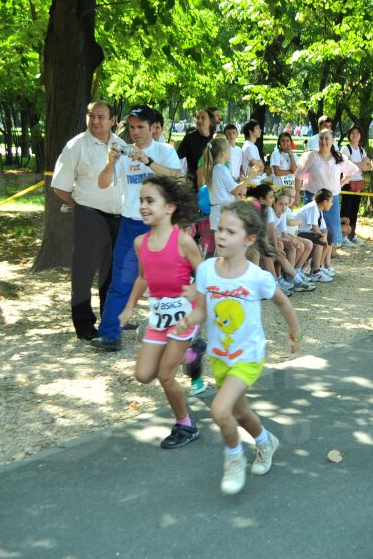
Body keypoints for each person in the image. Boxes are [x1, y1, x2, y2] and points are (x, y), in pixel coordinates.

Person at [180, 202, 301, 494]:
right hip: (220, 356)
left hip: (247, 356)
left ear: (248, 239)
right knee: (240, 412)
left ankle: (234, 459)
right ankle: (265, 441)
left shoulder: (256, 277)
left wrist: (294, 333)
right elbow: (203, 310)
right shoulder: (207, 270)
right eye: (220, 228)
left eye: (230, 231)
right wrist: (187, 321)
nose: (221, 236)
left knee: (220, 410)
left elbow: (283, 302)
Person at [115, 176, 205, 449]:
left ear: (170, 207)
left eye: (150, 200)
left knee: (166, 376)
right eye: (141, 200)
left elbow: (206, 274)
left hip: (183, 317)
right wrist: (129, 306)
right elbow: (143, 277)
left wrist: (196, 291)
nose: (143, 206)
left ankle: (185, 424)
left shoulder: (183, 242)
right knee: (143, 375)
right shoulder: (141, 243)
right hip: (158, 317)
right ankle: (192, 354)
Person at [87, 105, 184, 352]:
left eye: (140, 127)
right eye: (131, 127)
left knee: (170, 282)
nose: (135, 132)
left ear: (153, 127)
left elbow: (177, 176)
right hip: (130, 223)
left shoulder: (163, 151)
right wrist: (110, 163)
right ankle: (110, 334)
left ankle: (180, 332)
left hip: (161, 227)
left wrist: (148, 161)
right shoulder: (123, 152)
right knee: (120, 281)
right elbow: (102, 183)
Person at [50, 101, 124, 341]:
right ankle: (84, 326)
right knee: (84, 271)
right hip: (89, 213)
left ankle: (110, 319)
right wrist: (78, 205)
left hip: (117, 216)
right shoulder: (75, 146)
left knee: (112, 271)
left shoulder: (121, 145)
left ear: (112, 120)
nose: (95, 121)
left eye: (101, 117)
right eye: (91, 116)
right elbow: (60, 186)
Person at [295, 129, 352, 249]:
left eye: (327, 138)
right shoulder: (310, 156)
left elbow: (352, 171)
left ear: (332, 141)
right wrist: (296, 194)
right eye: (321, 138)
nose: (324, 141)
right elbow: (298, 176)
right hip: (313, 197)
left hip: (332, 199)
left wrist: (339, 184)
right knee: (312, 226)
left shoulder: (339, 158)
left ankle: (329, 251)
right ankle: (312, 253)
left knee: (330, 227)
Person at [339, 125, 373, 245]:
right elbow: (347, 165)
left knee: (354, 210)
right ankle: (343, 236)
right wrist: (361, 164)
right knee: (346, 210)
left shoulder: (361, 150)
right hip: (348, 183)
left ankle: (352, 234)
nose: (355, 135)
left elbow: (369, 166)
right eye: (352, 133)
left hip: (358, 183)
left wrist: (358, 164)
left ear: (360, 135)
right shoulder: (345, 149)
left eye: (357, 133)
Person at [175, 108, 214, 191]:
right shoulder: (190, 138)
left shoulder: (215, 138)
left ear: (210, 121)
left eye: (203, 117)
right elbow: (176, 157)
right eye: (197, 117)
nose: (199, 120)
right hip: (193, 186)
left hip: (213, 184)